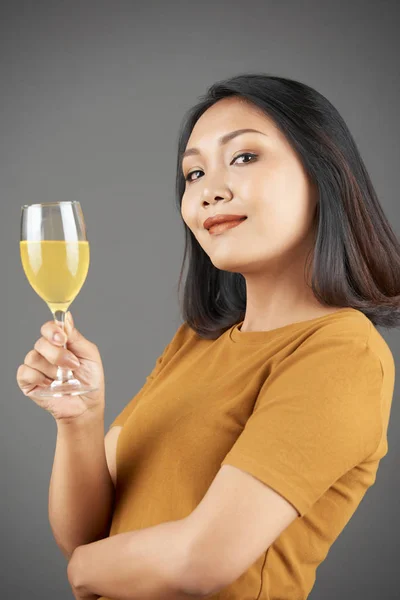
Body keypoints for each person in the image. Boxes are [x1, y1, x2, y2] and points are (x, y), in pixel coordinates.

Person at [17, 74, 399, 600]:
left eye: (243, 157)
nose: (207, 190)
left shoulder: (343, 352)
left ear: (323, 174)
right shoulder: (196, 342)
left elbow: (200, 561)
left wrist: (83, 572)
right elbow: (88, 535)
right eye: (194, 172)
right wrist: (81, 421)